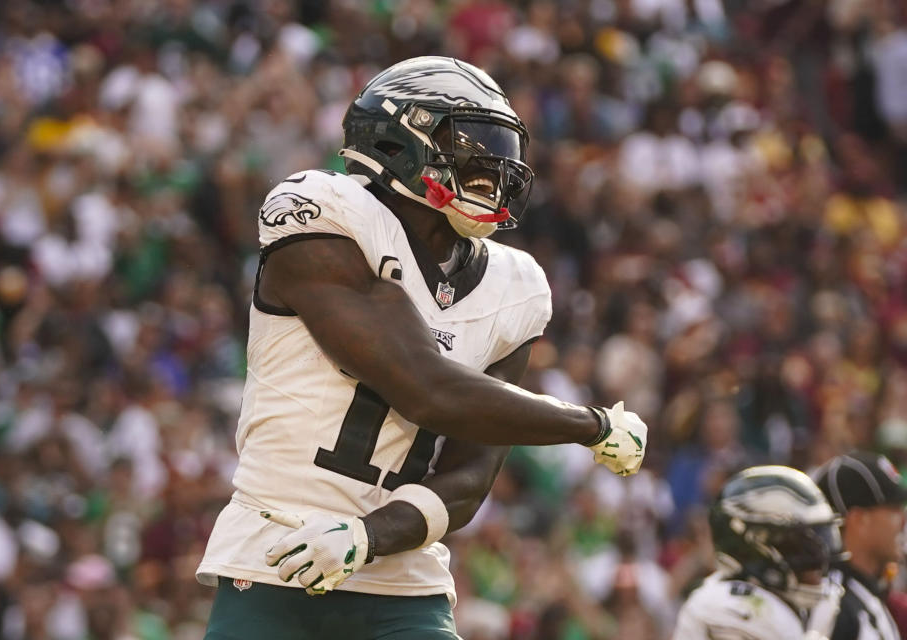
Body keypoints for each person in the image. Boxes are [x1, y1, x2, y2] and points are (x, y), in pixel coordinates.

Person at [195, 56, 648, 639]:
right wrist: (589, 425)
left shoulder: (517, 286)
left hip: (404, 584)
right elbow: (426, 389)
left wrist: (367, 536)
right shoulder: (324, 213)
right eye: (472, 144)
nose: (494, 168)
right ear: (395, 139)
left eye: (502, 149)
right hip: (275, 552)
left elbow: (468, 476)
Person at [674, 465, 847, 640]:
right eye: (803, 549)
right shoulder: (730, 606)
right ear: (756, 543)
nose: (818, 563)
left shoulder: (808, 608)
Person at [811, 451, 907, 640]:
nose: (903, 521)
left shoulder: (862, 594)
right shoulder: (835, 609)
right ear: (859, 520)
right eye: (894, 509)